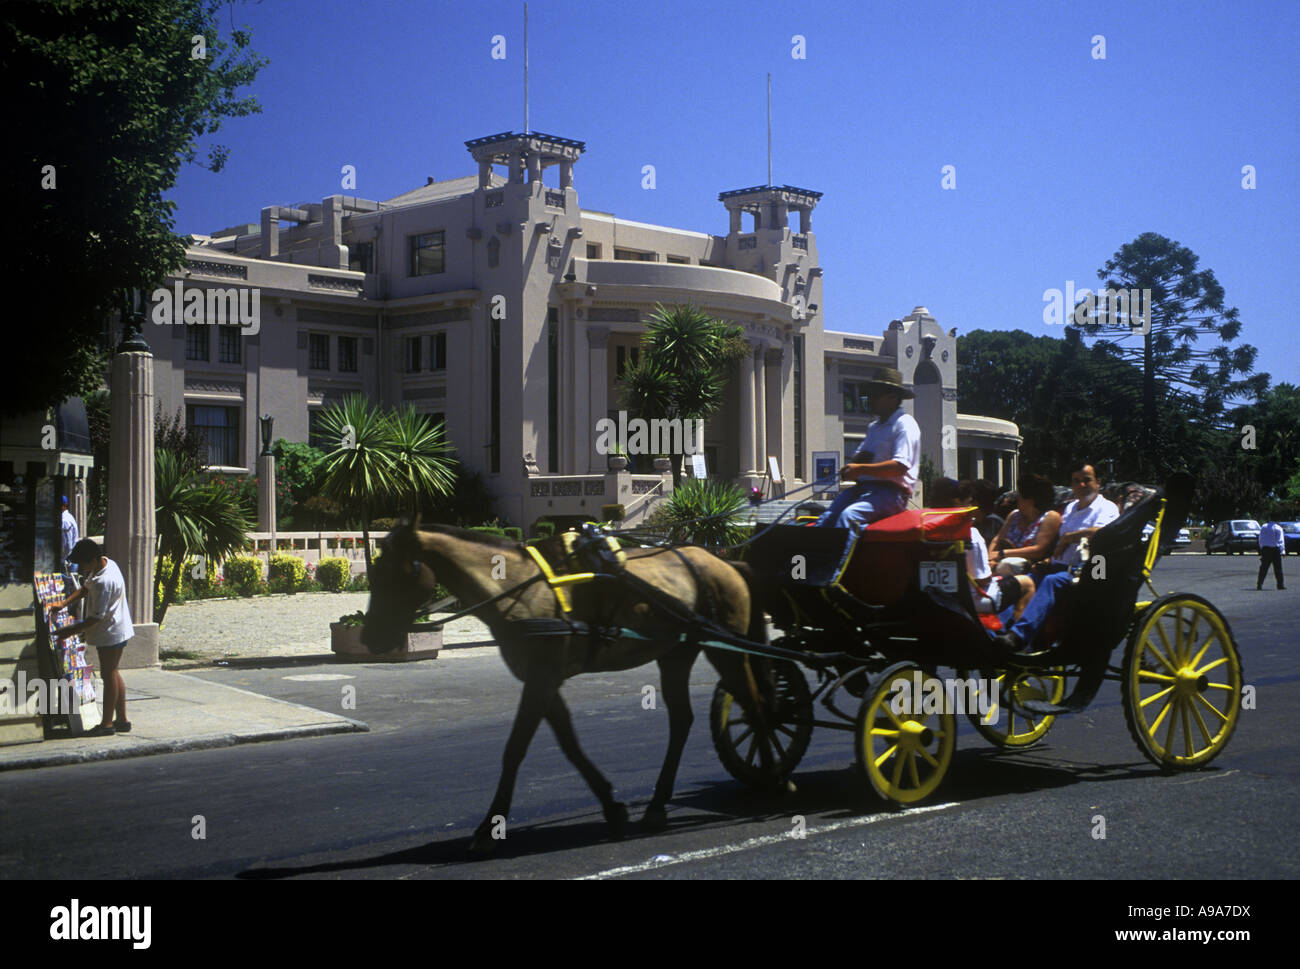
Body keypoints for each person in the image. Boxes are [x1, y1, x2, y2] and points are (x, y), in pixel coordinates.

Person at [45, 539, 134, 736]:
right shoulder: (107, 564)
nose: (82, 568)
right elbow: (86, 587)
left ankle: (107, 724)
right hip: (117, 627)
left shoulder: (104, 581)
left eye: (83, 564)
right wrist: (64, 603)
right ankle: (122, 720)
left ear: (93, 560)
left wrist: (69, 631)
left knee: (108, 674)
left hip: (111, 631)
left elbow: (96, 617)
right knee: (114, 671)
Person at [816, 367, 920, 532]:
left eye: (875, 395)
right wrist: (854, 466)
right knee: (826, 518)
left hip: (892, 494)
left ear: (892, 397)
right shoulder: (874, 427)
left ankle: (841, 558)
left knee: (849, 516)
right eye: (869, 394)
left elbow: (900, 466)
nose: (869, 399)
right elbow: (860, 457)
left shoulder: (905, 424)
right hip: (863, 489)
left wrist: (860, 468)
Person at [930, 478, 1034, 621]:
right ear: (957, 502)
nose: (972, 508)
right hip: (968, 599)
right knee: (1027, 583)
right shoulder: (970, 533)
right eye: (968, 503)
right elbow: (983, 579)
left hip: (932, 597)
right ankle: (1015, 636)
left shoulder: (924, 532)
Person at [1043, 462, 1120, 576]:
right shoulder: (1070, 507)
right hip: (1055, 566)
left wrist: (1067, 538)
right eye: (1076, 481)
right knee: (1019, 583)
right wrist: (1048, 560)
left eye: (1087, 480)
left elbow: (1100, 533)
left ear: (1098, 482)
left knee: (1049, 582)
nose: (1081, 485)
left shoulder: (1107, 507)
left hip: (1082, 571)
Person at [988, 474, 1061, 574]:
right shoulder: (1014, 515)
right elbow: (998, 539)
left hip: (1029, 570)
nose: (1017, 498)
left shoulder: (1050, 517)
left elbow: (1038, 550)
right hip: (1001, 566)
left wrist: (1002, 554)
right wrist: (990, 558)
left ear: (1030, 500)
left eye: (1020, 495)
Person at [1257, 518, 1286, 590]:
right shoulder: (1278, 528)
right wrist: (1282, 551)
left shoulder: (1263, 527)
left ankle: (1259, 584)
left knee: (1263, 568)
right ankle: (1280, 585)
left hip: (1266, 549)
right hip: (1275, 549)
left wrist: (1262, 548)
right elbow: (1280, 541)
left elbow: (1260, 538)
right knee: (1278, 568)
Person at [60, 495, 79, 573]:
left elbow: (68, 544)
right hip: (68, 558)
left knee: (67, 584)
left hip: (68, 560)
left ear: (64, 506)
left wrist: (62, 559)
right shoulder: (68, 517)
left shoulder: (65, 520)